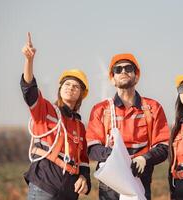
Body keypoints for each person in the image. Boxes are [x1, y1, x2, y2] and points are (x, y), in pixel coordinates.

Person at [86, 53, 170, 200]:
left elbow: (163, 147)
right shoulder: (100, 110)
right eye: (118, 70)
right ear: (112, 79)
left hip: (140, 180)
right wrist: (118, 158)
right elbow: (92, 149)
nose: (123, 71)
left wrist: (144, 158)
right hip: (110, 185)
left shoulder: (153, 108)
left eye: (128, 68)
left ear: (136, 76)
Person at [21, 32, 91, 200]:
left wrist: (84, 177)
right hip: (44, 186)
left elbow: (83, 161)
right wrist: (29, 61)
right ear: (60, 89)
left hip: (69, 191)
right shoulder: (45, 111)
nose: (70, 87)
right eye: (67, 84)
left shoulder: (80, 127)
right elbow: (29, 89)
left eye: (76, 86)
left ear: (81, 94)